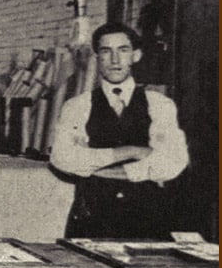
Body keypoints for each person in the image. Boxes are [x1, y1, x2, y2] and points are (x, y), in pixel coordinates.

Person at [50, 21, 188, 239]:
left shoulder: (160, 104)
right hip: (92, 221)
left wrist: (97, 169)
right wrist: (132, 152)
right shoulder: (77, 106)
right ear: (97, 58)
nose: (115, 60)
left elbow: (172, 163)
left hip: (148, 223)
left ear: (136, 55)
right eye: (106, 51)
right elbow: (62, 158)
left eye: (123, 50)